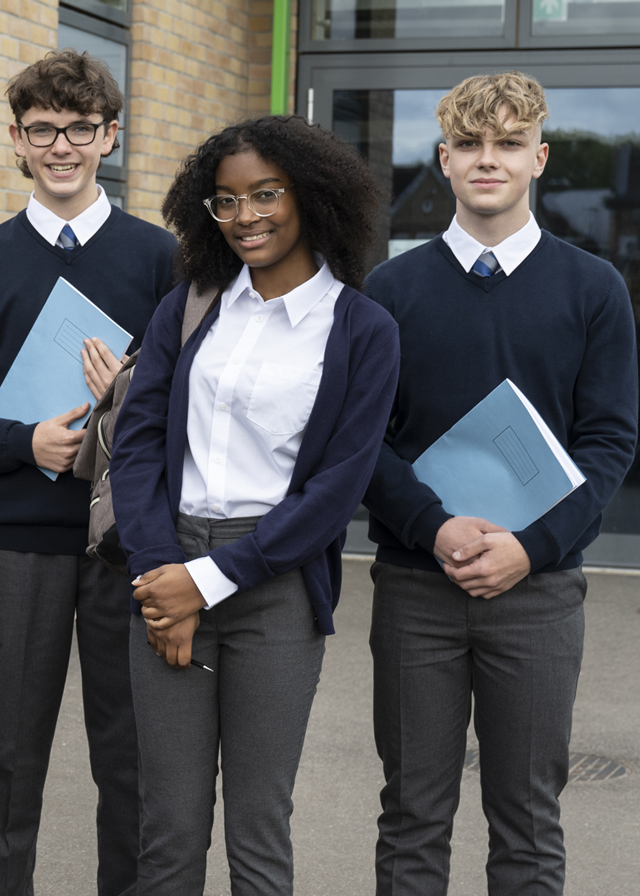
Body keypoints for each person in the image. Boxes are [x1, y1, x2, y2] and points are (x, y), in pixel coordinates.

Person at [362, 71, 638, 895]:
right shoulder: (388, 291)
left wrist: (530, 547)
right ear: (443, 160)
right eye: (471, 145)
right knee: (411, 815)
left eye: (508, 143)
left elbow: (609, 442)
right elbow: (361, 442)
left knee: (525, 818)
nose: (489, 160)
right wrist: (433, 528)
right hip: (417, 589)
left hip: (539, 592)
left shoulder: (593, 289)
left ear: (538, 158)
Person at [110, 116, 400, 895]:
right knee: (166, 826)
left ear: (309, 196)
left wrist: (204, 584)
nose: (246, 217)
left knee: (257, 826)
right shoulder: (189, 306)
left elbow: (334, 490)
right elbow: (136, 445)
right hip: (164, 570)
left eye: (265, 194)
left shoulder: (361, 330)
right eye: (225, 201)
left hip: (274, 588)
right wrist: (159, 573)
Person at [0, 49, 178, 896]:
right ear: (16, 140)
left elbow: (187, 404)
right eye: (43, 130)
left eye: (80, 129)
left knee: (130, 752)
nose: (62, 146)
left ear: (108, 136)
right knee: (11, 750)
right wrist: (22, 444)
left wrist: (127, 396)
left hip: (125, 540)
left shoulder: (158, 257)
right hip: (18, 539)